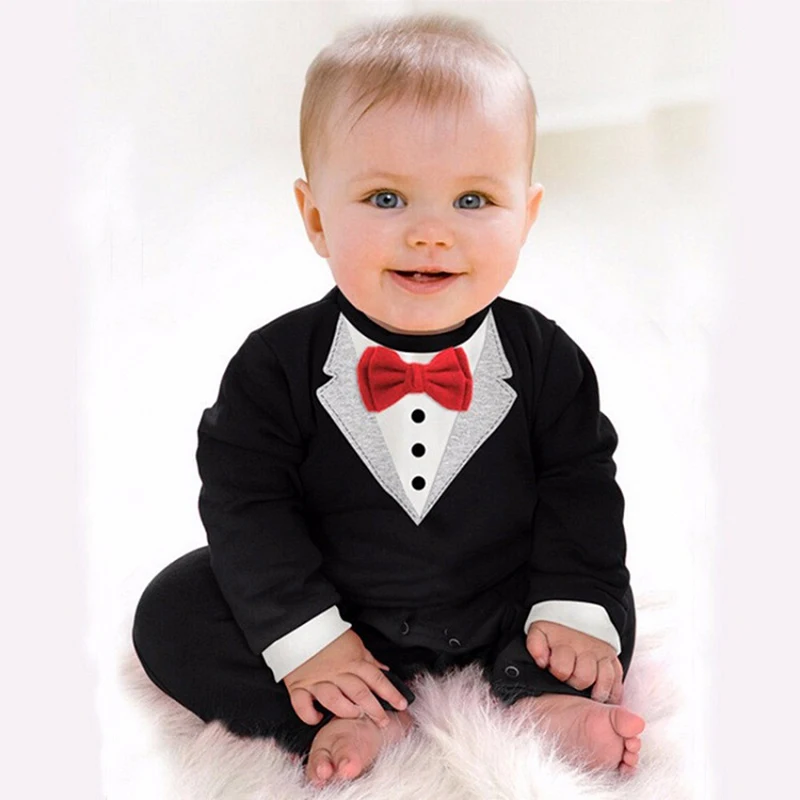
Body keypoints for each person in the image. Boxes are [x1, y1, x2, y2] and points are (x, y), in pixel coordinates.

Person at [132, 12, 645, 789]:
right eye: (385, 198)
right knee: (173, 612)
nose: (431, 233)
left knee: (593, 596)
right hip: (341, 605)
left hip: (500, 600)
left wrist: (570, 607)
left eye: (473, 200)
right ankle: (343, 710)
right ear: (315, 218)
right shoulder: (273, 368)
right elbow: (247, 506)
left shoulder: (547, 360)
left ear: (526, 217)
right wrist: (309, 639)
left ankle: (540, 696)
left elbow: (582, 489)